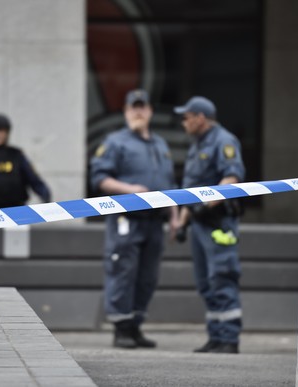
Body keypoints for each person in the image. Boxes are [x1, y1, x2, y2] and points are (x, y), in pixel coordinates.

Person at [90, 89, 179, 349]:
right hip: (127, 219)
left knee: (148, 276)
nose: (138, 112)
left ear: (150, 111)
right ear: (126, 112)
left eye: (142, 107)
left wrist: (174, 215)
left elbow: (169, 183)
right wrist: (131, 190)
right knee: (123, 272)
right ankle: (122, 329)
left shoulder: (160, 144)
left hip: (155, 221)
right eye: (133, 108)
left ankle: (136, 326)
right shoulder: (115, 142)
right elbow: (99, 179)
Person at [173, 96, 245, 354]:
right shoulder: (197, 145)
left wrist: (207, 205)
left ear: (200, 118)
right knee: (205, 281)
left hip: (218, 223)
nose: (183, 122)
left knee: (222, 275)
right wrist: (182, 223)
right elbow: (189, 191)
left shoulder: (223, 141)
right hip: (199, 224)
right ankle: (216, 335)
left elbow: (231, 178)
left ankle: (229, 337)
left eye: (186, 117)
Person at [0, 113, 51, 209]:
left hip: (16, 213)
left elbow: (34, 180)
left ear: (7, 133)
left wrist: (45, 197)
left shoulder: (17, 156)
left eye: (0, 131)